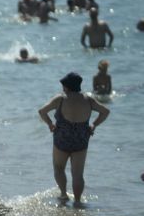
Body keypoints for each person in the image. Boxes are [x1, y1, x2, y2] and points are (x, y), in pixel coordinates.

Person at [38, 73, 110, 205]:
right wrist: (94, 125)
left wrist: (50, 124)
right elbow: (105, 111)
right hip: (81, 140)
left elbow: (42, 111)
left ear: (66, 86)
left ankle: (64, 195)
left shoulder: (60, 99)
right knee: (77, 174)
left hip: (62, 139)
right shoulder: (88, 99)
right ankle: (77, 201)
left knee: (59, 168)